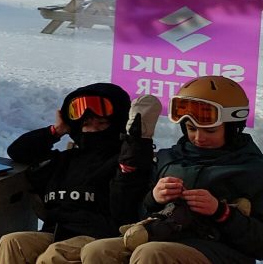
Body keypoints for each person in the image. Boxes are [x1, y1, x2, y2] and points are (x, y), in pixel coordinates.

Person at [80, 76, 263, 264]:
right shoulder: (169, 159)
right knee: (98, 251)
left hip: (219, 250)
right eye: (191, 128)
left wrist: (221, 212)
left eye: (210, 131)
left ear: (233, 128)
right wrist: (153, 198)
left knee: (152, 253)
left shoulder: (253, 170)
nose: (199, 137)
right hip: (163, 235)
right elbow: (130, 215)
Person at [0, 83, 151, 264]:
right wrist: (57, 130)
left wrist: (132, 149)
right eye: (86, 125)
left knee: (53, 256)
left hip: (99, 237)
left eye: (101, 123)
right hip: (57, 232)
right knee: (12, 242)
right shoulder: (65, 159)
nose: (93, 130)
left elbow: (124, 202)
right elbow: (18, 151)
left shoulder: (123, 162)